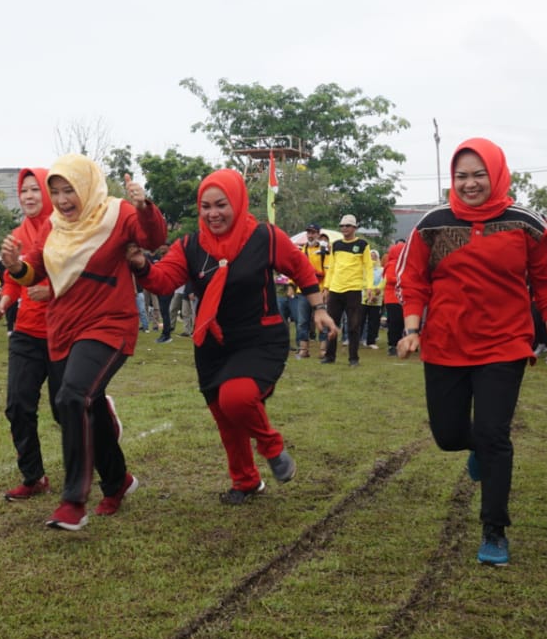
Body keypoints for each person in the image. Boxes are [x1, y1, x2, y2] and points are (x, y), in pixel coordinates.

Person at [396, 137, 547, 567]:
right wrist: (412, 329)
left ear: (496, 174)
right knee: (448, 435)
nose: (470, 184)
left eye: (479, 175)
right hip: (445, 344)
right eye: (462, 176)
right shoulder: (433, 223)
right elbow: (413, 279)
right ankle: (476, 450)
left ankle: (494, 530)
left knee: (495, 436)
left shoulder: (526, 223)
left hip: (504, 344)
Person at [129, 168, 337, 504]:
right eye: (206, 207)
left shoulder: (265, 237)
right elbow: (164, 280)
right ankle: (246, 482)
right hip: (212, 343)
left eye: (221, 205)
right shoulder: (189, 245)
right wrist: (141, 264)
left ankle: (272, 446)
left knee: (236, 399)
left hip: (260, 338)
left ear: (237, 202)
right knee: (225, 419)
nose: (213, 214)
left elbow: (299, 268)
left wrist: (319, 308)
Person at [0, 155, 166, 531]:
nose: (61, 199)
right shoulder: (53, 227)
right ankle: (118, 481)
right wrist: (14, 266)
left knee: (72, 397)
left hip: (109, 325)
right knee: (78, 408)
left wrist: (144, 207)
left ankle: (73, 502)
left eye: (68, 189)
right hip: (64, 329)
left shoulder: (117, 213)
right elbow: (34, 271)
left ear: (87, 186)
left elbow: (153, 238)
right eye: (54, 191)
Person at [0, 167, 62, 500]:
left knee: (66, 409)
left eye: (35, 189)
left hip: (63, 331)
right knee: (18, 406)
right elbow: (12, 279)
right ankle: (34, 477)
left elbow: (82, 274)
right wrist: (4, 302)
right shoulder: (16, 234)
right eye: (24, 191)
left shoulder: (65, 229)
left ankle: (101, 417)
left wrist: (51, 292)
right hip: (26, 333)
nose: (29, 196)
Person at [320, 214, 374, 367]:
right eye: (342, 226)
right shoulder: (336, 245)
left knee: (353, 325)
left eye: (348, 226)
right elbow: (331, 268)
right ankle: (330, 356)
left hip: (353, 289)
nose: (344, 228)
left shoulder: (363, 244)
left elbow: (368, 267)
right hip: (336, 289)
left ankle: (353, 358)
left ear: (354, 228)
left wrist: (369, 286)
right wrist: (326, 287)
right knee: (332, 324)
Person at [295, 224, 328, 358]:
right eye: (309, 232)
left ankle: (323, 349)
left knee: (321, 320)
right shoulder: (301, 250)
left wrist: (326, 288)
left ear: (318, 234)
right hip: (303, 289)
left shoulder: (324, 249)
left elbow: (328, 269)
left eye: (313, 233)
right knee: (302, 320)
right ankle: (303, 349)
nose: (310, 235)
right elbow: (296, 269)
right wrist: (292, 285)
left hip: (319, 289)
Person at [381, 238, 407, 356]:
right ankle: (392, 345)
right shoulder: (392, 264)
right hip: (393, 298)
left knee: (401, 322)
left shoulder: (405, 264)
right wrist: (405, 280)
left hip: (402, 297)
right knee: (395, 323)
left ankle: (401, 343)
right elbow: (390, 279)